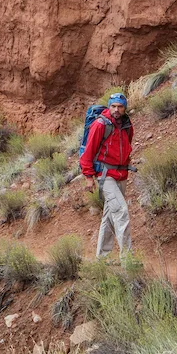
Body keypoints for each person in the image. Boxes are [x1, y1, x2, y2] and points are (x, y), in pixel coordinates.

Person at [80, 92, 134, 256]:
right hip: (105, 175)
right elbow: (87, 153)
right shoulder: (100, 125)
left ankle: (102, 258)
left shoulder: (126, 125)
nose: (116, 110)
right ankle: (128, 261)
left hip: (121, 174)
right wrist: (89, 177)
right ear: (109, 107)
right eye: (113, 106)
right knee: (121, 212)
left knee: (110, 216)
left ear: (125, 108)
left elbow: (126, 146)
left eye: (120, 107)